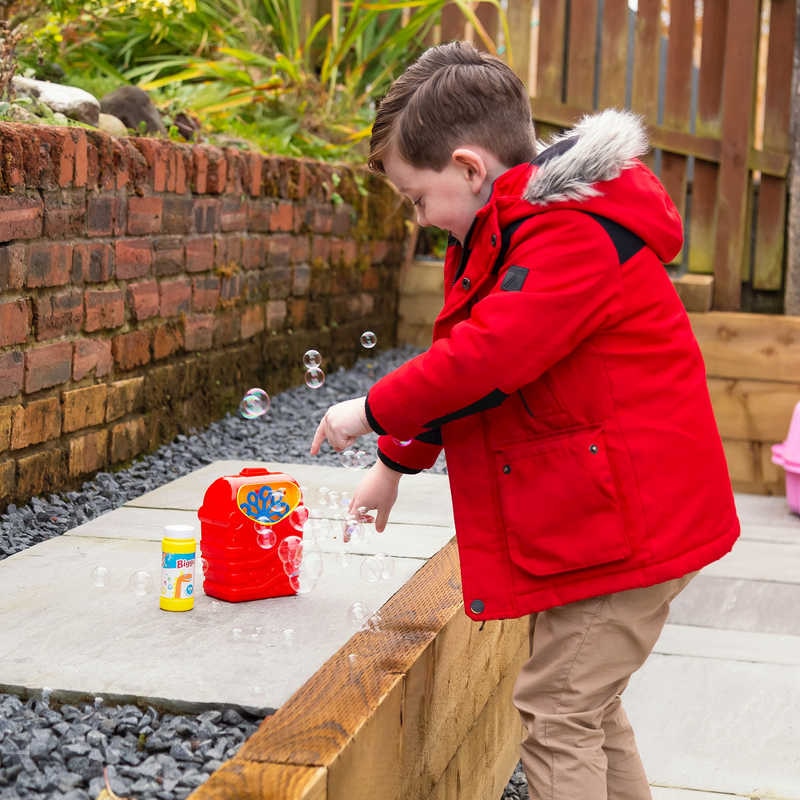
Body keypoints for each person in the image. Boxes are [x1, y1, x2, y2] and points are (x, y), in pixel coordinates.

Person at [310, 40, 740, 800]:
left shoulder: (567, 233)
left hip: (636, 520)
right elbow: (470, 367)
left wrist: (371, 410)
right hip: (605, 517)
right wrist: (393, 464)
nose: (418, 218)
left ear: (471, 169)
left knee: (558, 711)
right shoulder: (501, 229)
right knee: (587, 708)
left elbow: (488, 359)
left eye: (416, 198)